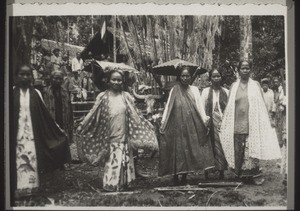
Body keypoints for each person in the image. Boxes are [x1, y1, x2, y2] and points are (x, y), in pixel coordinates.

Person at [76, 70, 158, 192]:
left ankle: (124, 183)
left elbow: (136, 114)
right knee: (112, 156)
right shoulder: (103, 96)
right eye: (113, 79)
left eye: (119, 80)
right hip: (109, 132)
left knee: (124, 155)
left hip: (124, 131)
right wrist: (82, 124)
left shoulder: (126, 96)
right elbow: (93, 112)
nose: (116, 82)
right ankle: (111, 184)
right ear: (108, 81)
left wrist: (146, 123)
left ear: (122, 82)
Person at [11, 65, 71, 205]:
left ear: (32, 77)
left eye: (28, 75)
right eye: (22, 74)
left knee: (31, 160)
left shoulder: (36, 93)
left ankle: (32, 190)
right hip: (16, 135)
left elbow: (46, 116)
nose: (25, 77)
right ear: (16, 76)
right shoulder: (11, 92)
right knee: (17, 160)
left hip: (32, 135)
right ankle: (16, 190)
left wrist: (58, 130)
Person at [219, 60, 281, 185]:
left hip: (251, 123)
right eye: (243, 68)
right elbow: (229, 106)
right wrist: (223, 121)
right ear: (238, 70)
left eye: (247, 68)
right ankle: (239, 175)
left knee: (250, 148)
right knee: (238, 149)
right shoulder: (233, 86)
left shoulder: (256, 85)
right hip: (236, 123)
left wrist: (266, 121)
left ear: (250, 70)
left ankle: (252, 175)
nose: (245, 70)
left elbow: (261, 105)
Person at [159, 66, 214, 186]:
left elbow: (199, 106)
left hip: (191, 125)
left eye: (187, 76)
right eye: (183, 76)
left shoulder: (194, 90)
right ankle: (175, 176)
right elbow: (168, 107)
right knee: (176, 150)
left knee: (188, 150)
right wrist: (163, 122)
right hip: (176, 125)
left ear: (191, 77)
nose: (185, 78)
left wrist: (204, 119)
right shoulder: (174, 89)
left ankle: (184, 176)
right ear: (179, 77)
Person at [201, 68, 229, 179]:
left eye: (218, 76)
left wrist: (225, 122)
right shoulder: (205, 92)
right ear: (210, 78)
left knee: (221, 146)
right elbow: (202, 107)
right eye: (214, 76)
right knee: (209, 146)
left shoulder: (226, 92)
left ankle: (221, 170)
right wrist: (205, 121)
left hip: (222, 122)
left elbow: (228, 109)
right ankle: (208, 171)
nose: (216, 78)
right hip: (209, 122)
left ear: (221, 78)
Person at [43, 70, 73, 143]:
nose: (58, 81)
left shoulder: (65, 92)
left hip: (63, 121)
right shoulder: (46, 92)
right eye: (56, 78)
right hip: (51, 122)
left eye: (60, 79)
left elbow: (69, 109)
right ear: (51, 79)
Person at [272, 76, 287, 183]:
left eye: (278, 81)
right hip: (280, 115)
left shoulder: (283, 89)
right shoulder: (276, 91)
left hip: (284, 115)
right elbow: (277, 103)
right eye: (275, 81)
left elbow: (283, 103)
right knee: (280, 133)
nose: (276, 83)